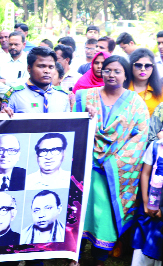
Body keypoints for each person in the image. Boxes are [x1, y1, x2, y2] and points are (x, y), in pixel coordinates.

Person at [74, 55, 148, 265]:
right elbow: (74, 130)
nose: (111, 75)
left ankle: (99, 259)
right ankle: (74, 256)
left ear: (125, 75)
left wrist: (112, 162)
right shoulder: (83, 97)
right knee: (80, 213)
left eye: (117, 71)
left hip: (114, 174)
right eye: (107, 70)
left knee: (105, 219)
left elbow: (139, 139)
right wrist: (85, 118)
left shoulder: (136, 103)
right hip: (85, 170)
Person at [1, 47, 69, 114]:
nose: (47, 71)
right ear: (29, 68)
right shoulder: (14, 95)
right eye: (41, 66)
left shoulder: (63, 96)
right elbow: (5, 123)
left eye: (51, 67)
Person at [131, 138, 163, 266]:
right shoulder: (155, 146)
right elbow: (145, 173)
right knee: (143, 241)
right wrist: (145, 202)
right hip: (150, 205)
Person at [0, 31, 29, 99]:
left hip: (24, 102)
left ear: (24, 45)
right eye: (10, 44)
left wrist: (6, 82)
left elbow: (28, 83)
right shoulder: (0, 60)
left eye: (16, 44)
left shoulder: (29, 61)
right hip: (2, 102)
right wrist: (12, 93)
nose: (13, 47)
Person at [125, 48, 163, 115]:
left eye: (147, 66)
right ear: (131, 66)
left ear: (153, 68)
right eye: (138, 65)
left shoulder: (160, 89)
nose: (143, 69)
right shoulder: (122, 88)